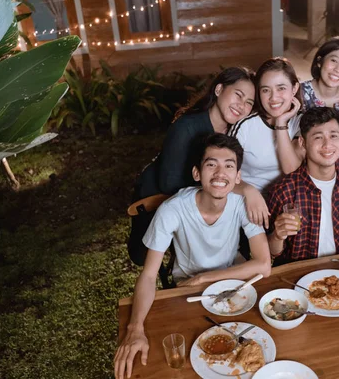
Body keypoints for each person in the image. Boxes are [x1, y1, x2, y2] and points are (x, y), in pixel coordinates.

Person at [114, 134, 271, 379]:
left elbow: (264, 264)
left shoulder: (241, 203)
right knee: (189, 364)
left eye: (229, 166)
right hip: (187, 291)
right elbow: (148, 274)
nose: (220, 173)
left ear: (238, 177)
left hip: (235, 289)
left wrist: (206, 277)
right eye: (211, 164)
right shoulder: (173, 209)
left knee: (255, 354)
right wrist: (135, 328)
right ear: (197, 173)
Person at [128, 67, 256, 267]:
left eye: (249, 102)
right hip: (157, 197)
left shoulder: (235, 131)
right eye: (238, 95)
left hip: (199, 197)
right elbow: (168, 183)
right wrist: (241, 188)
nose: (242, 105)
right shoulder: (186, 126)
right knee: (148, 257)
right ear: (219, 89)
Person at [266, 106, 339, 264]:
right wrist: (277, 235)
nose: (327, 144)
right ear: (303, 143)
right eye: (318, 137)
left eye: (334, 136)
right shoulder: (283, 191)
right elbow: (270, 253)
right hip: (300, 275)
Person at [228, 57, 303, 229]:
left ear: (295, 88)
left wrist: (281, 123)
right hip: (246, 197)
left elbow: (290, 169)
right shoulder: (245, 125)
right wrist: (248, 190)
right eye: (265, 90)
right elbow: (224, 171)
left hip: (285, 200)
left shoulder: (301, 122)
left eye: (281, 88)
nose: (273, 97)